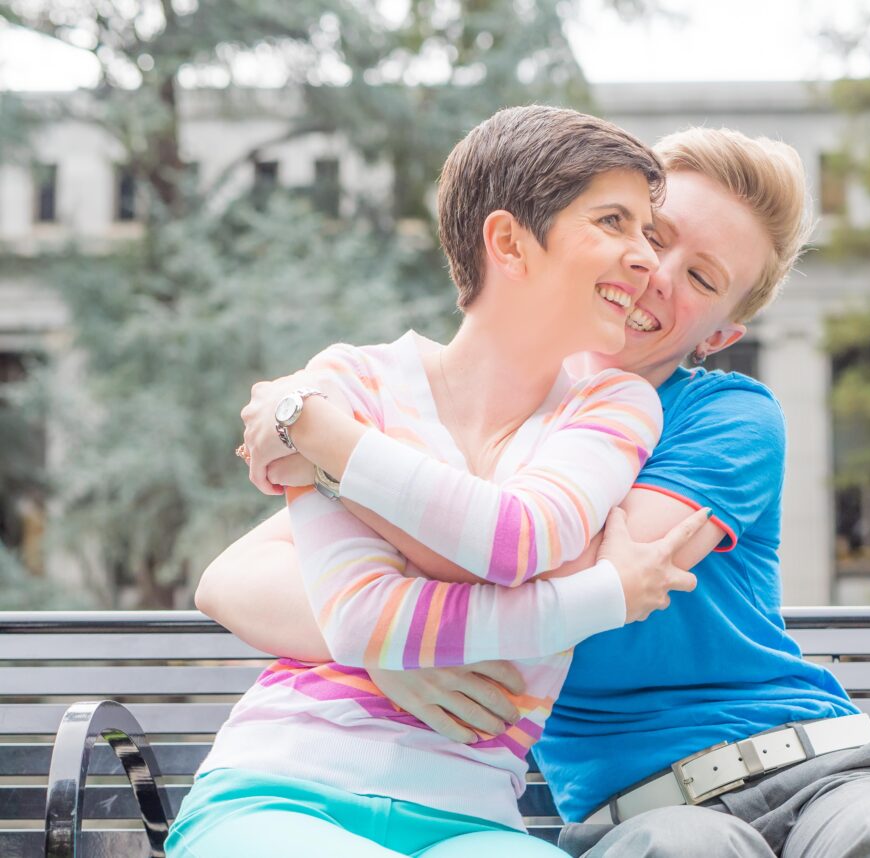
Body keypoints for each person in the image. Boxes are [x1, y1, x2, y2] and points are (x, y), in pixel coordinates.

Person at [201, 124, 870, 858]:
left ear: (717, 335)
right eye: (650, 234)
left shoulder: (727, 413)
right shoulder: (492, 405)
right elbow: (233, 578)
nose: (655, 273)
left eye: (702, 278)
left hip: (822, 767)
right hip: (648, 816)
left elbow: (545, 563)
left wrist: (328, 448)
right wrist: (386, 649)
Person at [167, 105, 712, 858]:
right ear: (509, 243)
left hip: (474, 819)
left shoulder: (614, 407)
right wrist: (600, 595)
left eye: (644, 233)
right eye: (613, 223)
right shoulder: (349, 381)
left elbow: (520, 538)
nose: (646, 260)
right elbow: (364, 621)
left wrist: (331, 446)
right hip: (280, 787)